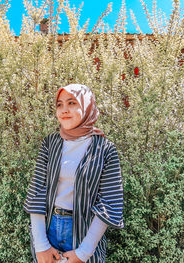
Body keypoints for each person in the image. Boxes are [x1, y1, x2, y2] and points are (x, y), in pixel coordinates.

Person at [24, 84, 124, 263]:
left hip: (84, 233)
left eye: (71, 103)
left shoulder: (105, 149)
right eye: (59, 104)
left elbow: (110, 203)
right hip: (48, 230)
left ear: (87, 107)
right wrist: (41, 245)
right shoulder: (50, 143)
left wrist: (83, 253)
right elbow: (37, 192)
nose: (64, 110)